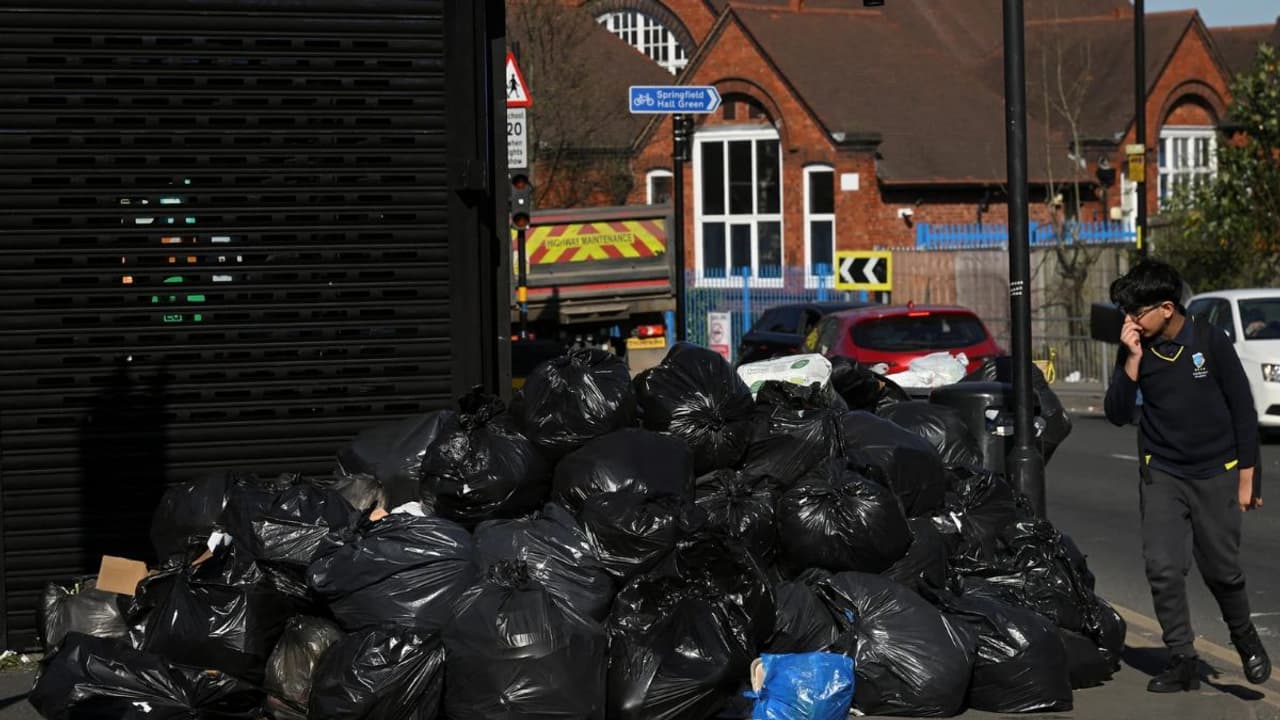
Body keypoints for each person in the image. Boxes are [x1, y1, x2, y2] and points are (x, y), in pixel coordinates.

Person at [1104, 260, 1269, 692]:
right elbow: (1117, 413)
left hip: (1217, 471)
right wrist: (1133, 361)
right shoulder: (1135, 346)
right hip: (1163, 472)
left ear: (1165, 307)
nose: (1129, 321)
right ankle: (1181, 659)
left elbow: (1243, 412)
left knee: (1222, 570)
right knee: (1162, 566)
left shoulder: (1210, 341)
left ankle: (1244, 637)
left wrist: (1248, 480)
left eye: (1136, 312)